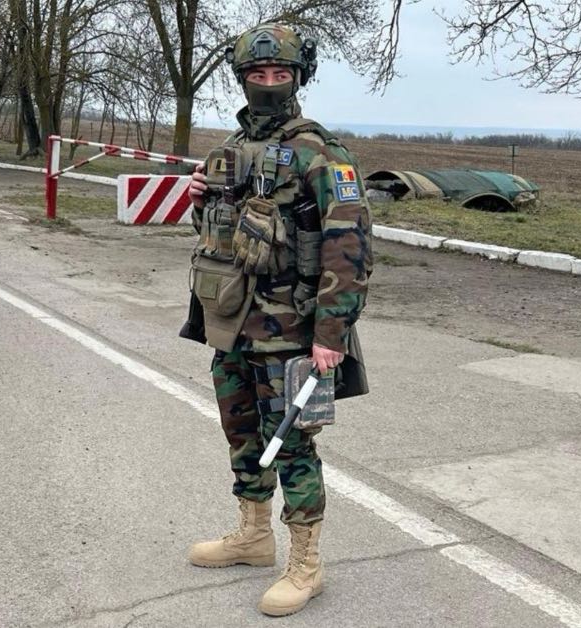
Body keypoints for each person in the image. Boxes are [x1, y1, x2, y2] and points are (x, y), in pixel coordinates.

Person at [181, 23, 373, 617]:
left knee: (290, 445)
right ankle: (252, 535)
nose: (268, 83)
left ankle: (306, 564)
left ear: (298, 78)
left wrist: (331, 334)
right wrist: (200, 203)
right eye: (258, 74)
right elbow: (221, 239)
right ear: (242, 79)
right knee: (242, 432)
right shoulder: (230, 149)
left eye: (280, 74)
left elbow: (349, 246)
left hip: (291, 331)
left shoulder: (320, 152)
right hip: (233, 323)